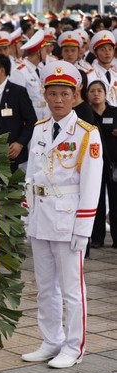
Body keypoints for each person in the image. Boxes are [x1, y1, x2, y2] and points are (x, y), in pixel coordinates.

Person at [21, 61, 102, 368]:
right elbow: (31, 176)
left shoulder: (86, 133)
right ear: (45, 95)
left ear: (74, 95)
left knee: (71, 290)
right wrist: (27, 217)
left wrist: (84, 228)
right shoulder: (40, 129)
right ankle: (51, 339)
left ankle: (73, 346)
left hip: (68, 220)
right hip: (41, 218)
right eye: (52, 93)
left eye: (64, 94)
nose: (57, 100)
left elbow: (91, 183)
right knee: (45, 287)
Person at [0, 54, 37, 174]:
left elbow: (32, 121)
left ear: (2, 70)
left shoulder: (18, 92)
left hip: (11, 153)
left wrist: (20, 143)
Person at [87, 78, 117, 248]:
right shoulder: (87, 114)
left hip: (114, 164)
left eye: (99, 91)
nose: (96, 94)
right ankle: (97, 239)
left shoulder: (114, 112)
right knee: (96, 202)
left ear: (105, 94)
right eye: (92, 91)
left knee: (115, 202)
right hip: (94, 165)